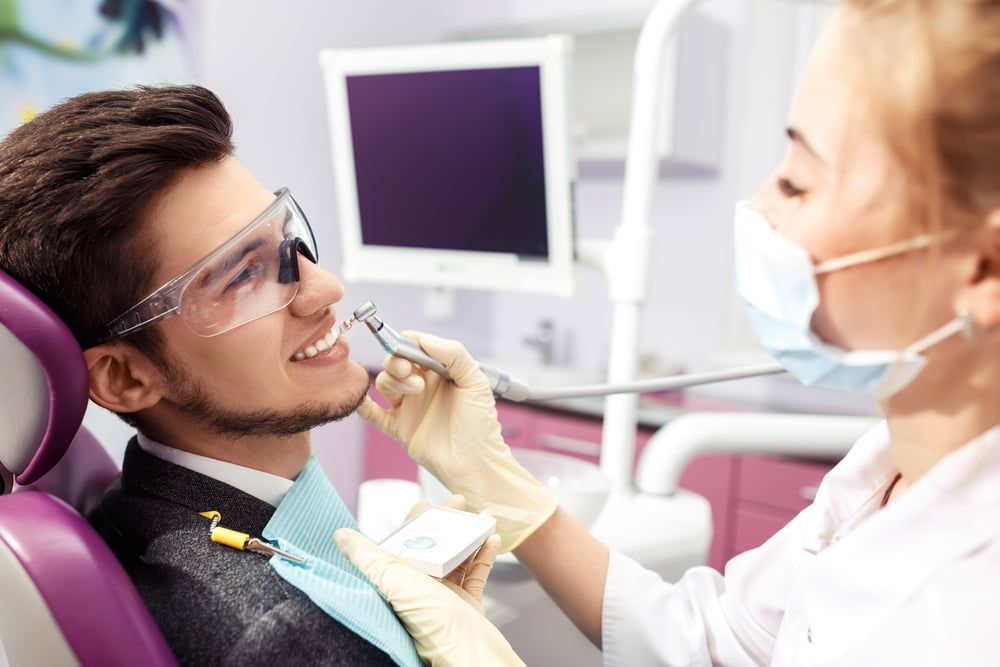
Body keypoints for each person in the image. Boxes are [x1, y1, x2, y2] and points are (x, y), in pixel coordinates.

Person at [336, 0, 1000, 664]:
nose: (759, 207)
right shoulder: (884, 472)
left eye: (798, 182)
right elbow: (715, 639)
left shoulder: (964, 618)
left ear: (984, 266)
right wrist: (492, 479)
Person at [0, 85, 508, 667]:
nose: (324, 288)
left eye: (288, 241)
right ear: (126, 378)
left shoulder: (144, 509)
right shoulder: (286, 638)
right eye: (243, 276)